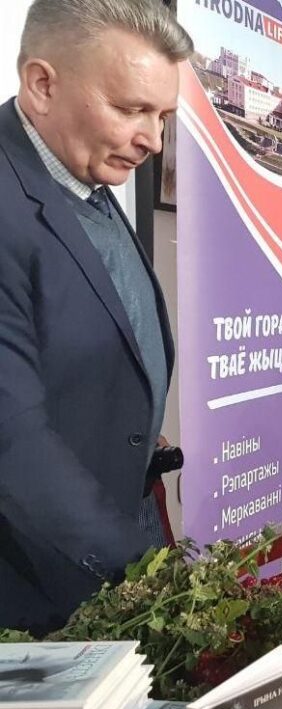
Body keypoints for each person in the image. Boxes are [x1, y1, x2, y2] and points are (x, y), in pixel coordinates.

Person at [0, 0, 192, 634]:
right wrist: (145, 577)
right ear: (42, 84)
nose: (154, 140)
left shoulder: (85, 178)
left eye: (161, 116)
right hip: (34, 592)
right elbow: (13, 441)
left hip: (107, 549)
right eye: (131, 109)